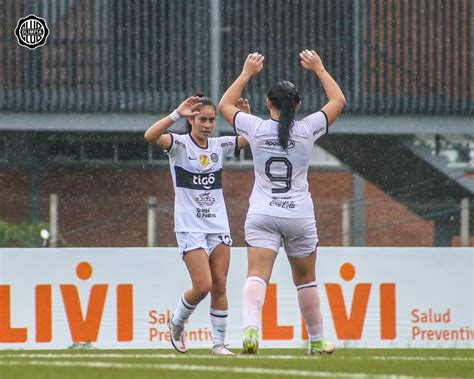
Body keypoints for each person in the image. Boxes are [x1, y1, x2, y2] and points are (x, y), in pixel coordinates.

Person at [218, 50, 346, 355]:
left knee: (257, 275)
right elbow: (338, 101)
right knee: (305, 280)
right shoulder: (306, 130)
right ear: (299, 105)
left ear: (267, 104)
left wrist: (247, 73)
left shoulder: (256, 128)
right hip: (299, 215)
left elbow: (224, 104)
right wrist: (319, 68)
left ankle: (250, 329)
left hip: (263, 212)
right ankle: (317, 340)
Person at [144, 94, 249, 355]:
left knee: (220, 283)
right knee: (203, 286)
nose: (208, 125)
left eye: (212, 120)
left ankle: (219, 344)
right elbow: (150, 136)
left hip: (218, 226)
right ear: (192, 120)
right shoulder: (178, 144)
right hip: (190, 228)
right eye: (202, 119)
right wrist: (176, 114)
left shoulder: (219, 145)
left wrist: (246, 118)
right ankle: (177, 323)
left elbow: (249, 140)